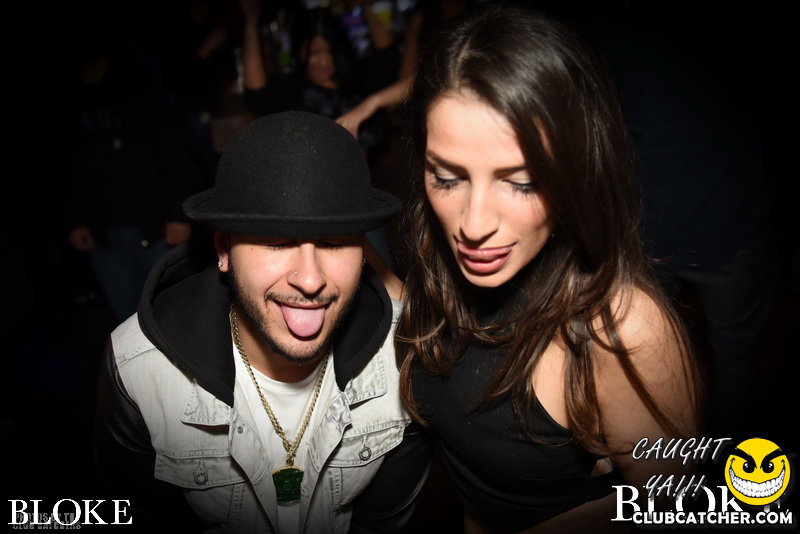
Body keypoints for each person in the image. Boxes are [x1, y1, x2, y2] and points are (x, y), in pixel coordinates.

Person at [394, 4, 703, 532]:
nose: (472, 224)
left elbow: (678, 501)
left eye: (522, 182)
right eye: (447, 177)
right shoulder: (437, 252)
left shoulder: (621, 330)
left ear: (576, 171)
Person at [93, 111, 430, 533]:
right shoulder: (138, 370)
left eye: (334, 242)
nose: (310, 279)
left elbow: (384, 524)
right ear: (224, 250)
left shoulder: (406, 360)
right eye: (276, 241)